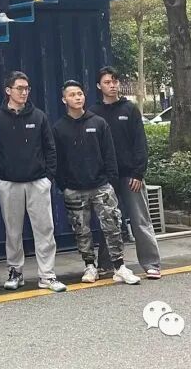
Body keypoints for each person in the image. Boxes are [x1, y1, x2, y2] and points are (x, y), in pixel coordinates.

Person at [0, 72, 67, 293]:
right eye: (19, 88)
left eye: (27, 88)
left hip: (37, 182)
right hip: (9, 183)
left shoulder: (38, 116)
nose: (24, 92)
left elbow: (50, 148)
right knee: (12, 231)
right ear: (8, 90)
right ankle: (15, 272)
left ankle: (47, 275)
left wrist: (48, 177)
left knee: (45, 229)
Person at [53, 80, 141, 285]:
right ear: (64, 100)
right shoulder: (59, 128)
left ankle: (119, 267)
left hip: (101, 186)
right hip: (74, 189)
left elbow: (109, 154)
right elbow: (57, 160)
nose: (77, 98)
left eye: (80, 94)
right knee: (81, 230)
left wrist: (111, 181)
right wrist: (64, 185)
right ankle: (89, 266)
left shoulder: (98, 123)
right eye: (72, 95)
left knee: (113, 226)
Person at [93, 66, 161, 279]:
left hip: (131, 176)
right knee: (109, 222)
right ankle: (106, 264)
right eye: (107, 82)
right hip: (106, 179)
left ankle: (151, 263)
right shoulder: (94, 113)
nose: (112, 85)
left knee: (140, 220)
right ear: (99, 86)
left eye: (115, 81)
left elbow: (140, 142)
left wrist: (138, 173)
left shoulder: (129, 109)